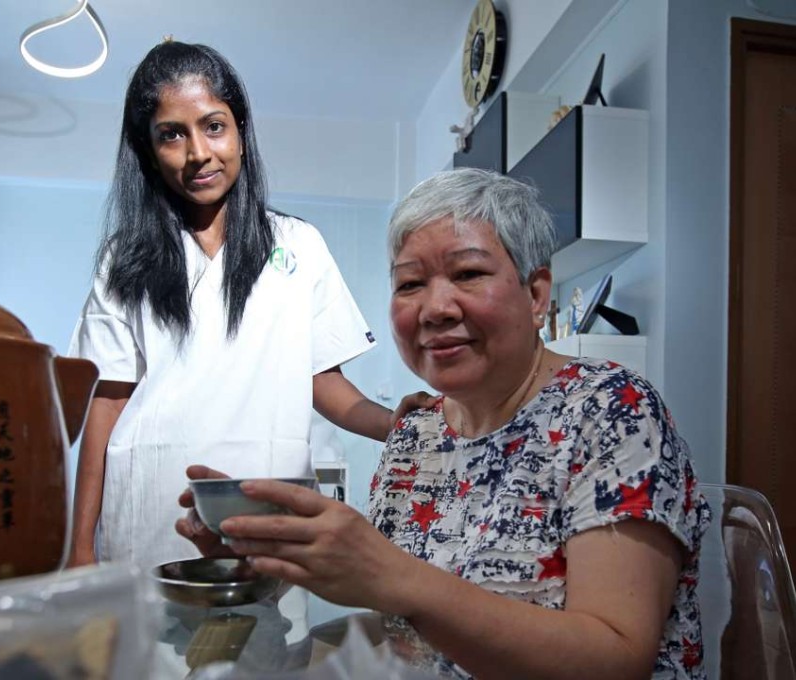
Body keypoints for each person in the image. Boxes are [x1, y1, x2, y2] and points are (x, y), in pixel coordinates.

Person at [177, 168, 711, 679]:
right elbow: (404, 629)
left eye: (469, 274)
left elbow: (616, 660)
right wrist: (275, 565)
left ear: (536, 294)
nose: (434, 308)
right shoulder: (414, 435)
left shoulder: (610, 411)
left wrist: (398, 579)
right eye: (410, 284)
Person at [66, 40, 429, 573]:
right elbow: (107, 403)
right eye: (172, 135)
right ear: (147, 150)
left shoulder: (297, 246)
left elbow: (321, 380)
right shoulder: (127, 259)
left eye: (214, 126)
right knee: (152, 650)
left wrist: (392, 425)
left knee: (269, 647)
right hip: (150, 515)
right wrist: (80, 547)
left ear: (240, 130)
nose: (198, 154)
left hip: (269, 518)